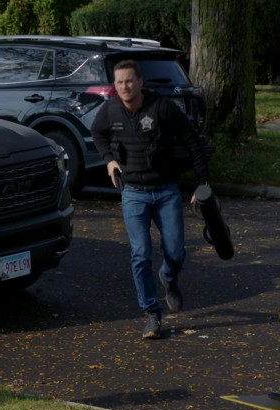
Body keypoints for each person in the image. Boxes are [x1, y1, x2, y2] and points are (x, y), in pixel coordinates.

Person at [91, 60, 209, 339]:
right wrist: (109, 161)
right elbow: (98, 133)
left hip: (166, 190)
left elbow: (192, 140)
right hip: (133, 193)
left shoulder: (162, 107)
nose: (124, 87)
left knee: (176, 252)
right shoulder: (110, 110)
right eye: (119, 82)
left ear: (140, 82)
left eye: (129, 81)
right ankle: (152, 314)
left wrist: (203, 182)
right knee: (140, 254)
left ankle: (168, 278)